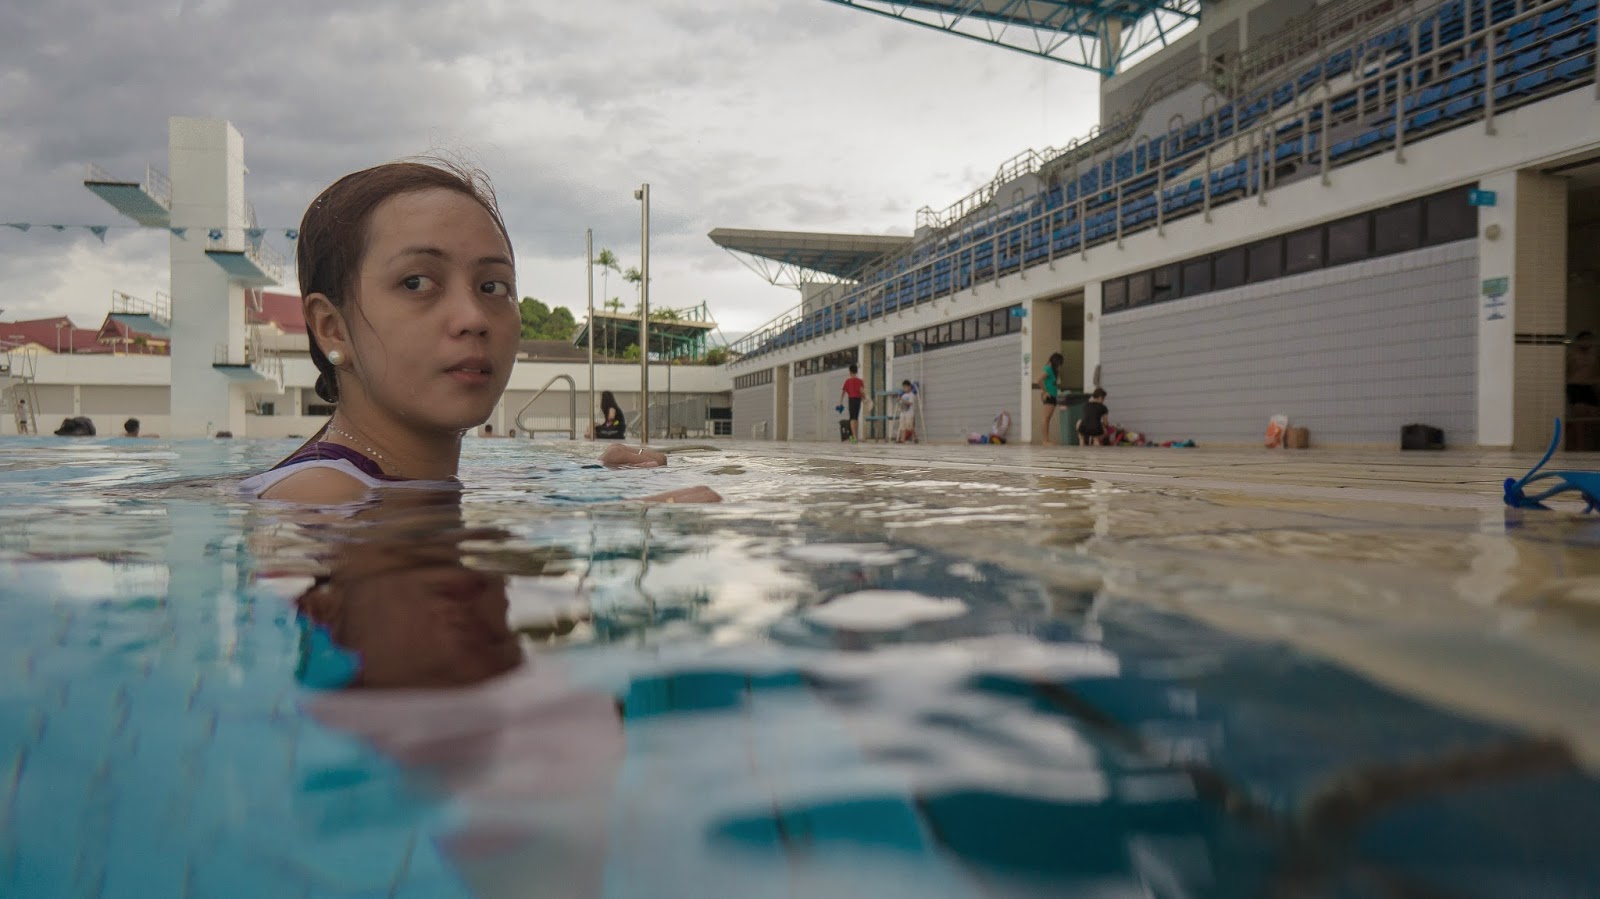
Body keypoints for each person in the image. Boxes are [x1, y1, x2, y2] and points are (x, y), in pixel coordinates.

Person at [238, 159, 712, 504]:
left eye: (492, 286)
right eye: (417, 282)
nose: (474, 318)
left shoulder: (385, 483)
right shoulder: (320, 498)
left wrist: (596, 477)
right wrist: (621, 539)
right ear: (331, 328)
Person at [1567, 332, 1600, 409]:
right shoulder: (1572, 355)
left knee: (1593, 412)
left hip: (1590, 386)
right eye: (1584, 339)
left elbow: (1596, 371)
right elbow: (1567, 371)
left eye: (1589, 340)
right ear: (1579, 341)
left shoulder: (1594, 356)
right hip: (1575, 385)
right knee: (1580, 410)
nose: (1586, 342)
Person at [1036, 352, 1063, 444]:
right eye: (1059, 363)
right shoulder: (1048, 368)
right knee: (1045, 418)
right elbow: (1039, 380)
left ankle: (1046, 439)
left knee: (1047, 419)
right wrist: (1045, 391)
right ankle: (1045, 440)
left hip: (1053, 395)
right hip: (1049, 396)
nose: (1059, 366)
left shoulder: (1052, 370)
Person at [838, 363, 864, 443]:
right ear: (856, 371)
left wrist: (840, 402)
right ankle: (855, 436)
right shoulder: (860, 381)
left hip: (852, 400)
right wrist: (865, 398)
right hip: (858, 400)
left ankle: (854, 437)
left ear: (850, 372)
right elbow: (861, 391)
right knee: (856, 418)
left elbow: (843, 392)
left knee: (852, 418)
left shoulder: (848, 381)